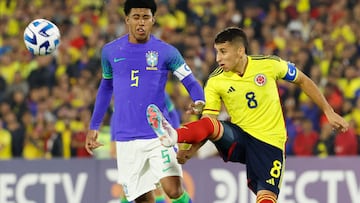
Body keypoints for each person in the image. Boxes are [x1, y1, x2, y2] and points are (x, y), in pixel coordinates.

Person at [146, 27, 349, 203]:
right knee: (211, 123)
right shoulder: (216, 81)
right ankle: (173, 135)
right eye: (216, 52)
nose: (218, 58)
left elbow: (303, 80)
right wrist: (191, 149)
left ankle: (174, 135)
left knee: (266, 198)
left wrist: (328, 111)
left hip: (271, 145)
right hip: (240, 139)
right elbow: (208, 123)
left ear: (240, 51)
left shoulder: (269, 65)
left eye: (223, 52)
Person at [85, 0, 204, 202]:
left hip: (158, 133)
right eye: (136, 17)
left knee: (173, 190)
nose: (141, 23)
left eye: (146, 17)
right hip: (126, 137)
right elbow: (106, 88)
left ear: (153, 20)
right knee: (141, 199)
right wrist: (94, 125)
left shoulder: (167, 52)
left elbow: (190, 81)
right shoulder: (110, 51)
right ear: (127, 19)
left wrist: (199, 100)